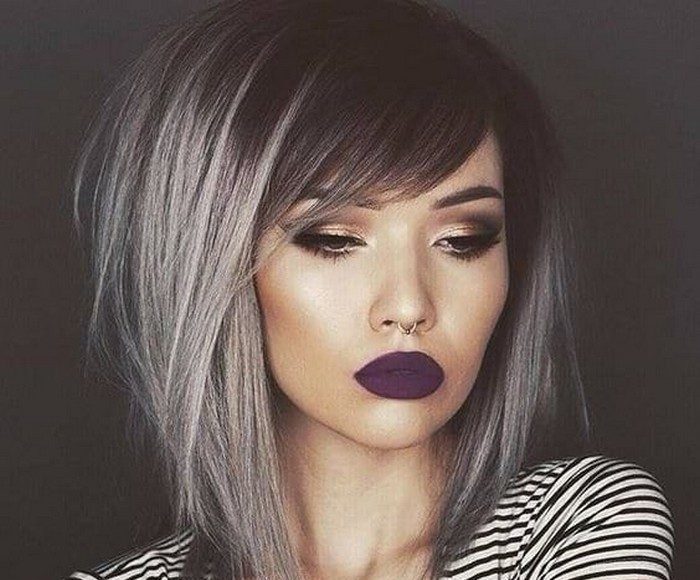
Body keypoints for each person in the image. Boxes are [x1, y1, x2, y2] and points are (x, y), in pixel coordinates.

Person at [65, 0, 674, 578]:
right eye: (334, 240)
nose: (408, 306)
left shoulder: (580, 526)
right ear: (213, 259)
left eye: (462, 239)